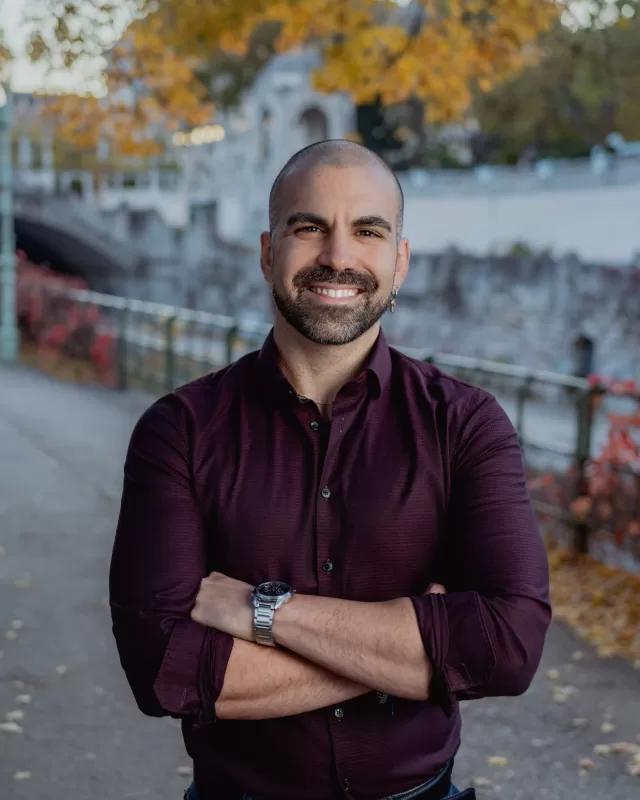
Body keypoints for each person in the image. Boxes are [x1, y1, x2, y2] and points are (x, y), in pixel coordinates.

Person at [109, 140, 551, 800]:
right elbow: (161, 671)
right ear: (267, 254)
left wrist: (262, 613)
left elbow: (511, 645)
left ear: (399, 264)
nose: (338, 257)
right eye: (308, 227)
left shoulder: (466, 424)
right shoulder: (178, 431)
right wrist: (418, 644)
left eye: (367, 231)